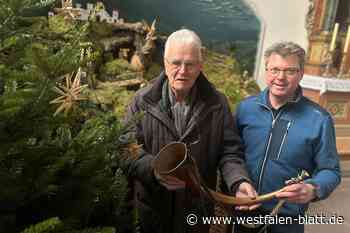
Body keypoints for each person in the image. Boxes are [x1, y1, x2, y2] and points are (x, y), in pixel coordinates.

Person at [125, 29, 257, 233]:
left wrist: (238, 181)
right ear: (165, 63)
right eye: (176, 63)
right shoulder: (141, 101)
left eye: (190, 64)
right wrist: (154, 169)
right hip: (152, 211)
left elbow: (230, 151)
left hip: (197, 212)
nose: (183, 71)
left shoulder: (217, 103)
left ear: (200, 66)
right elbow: (128, 148)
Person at [234, 41, 341, 233]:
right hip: (243, 211)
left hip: (286, 220)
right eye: (274, 69)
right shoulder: (246, 108)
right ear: (266, 71)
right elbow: (231, 155)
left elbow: (331, 171)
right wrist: (237, 183)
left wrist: (313, 189)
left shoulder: (319, 119)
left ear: (301, 74)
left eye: (290, 71)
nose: (280, 77)